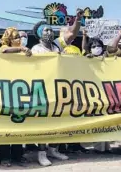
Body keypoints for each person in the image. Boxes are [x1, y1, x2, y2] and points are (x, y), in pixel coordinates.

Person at [31, 10, 83, 166]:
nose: (50, 31)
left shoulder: (57, 44)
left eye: (50, 29)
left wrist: (78, 20)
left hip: (59, 88)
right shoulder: (36, 49)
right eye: (46, 30)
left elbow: (72, 35)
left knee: (60, 120)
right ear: (40, 34)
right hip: (44, 90)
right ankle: (42, 153)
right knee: (44, 122)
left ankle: (54, 149)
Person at [0, 27, 31, 167]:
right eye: (16, 37)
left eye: (19, 37)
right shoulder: (4, 48)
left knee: (18, 124)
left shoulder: (24, 52)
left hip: (19, 92)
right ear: (9, 39)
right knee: (5, 126)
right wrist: (21, 49)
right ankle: (3, 157)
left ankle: (18, 155)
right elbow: (4, 51)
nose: (19, 40)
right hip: (4, 92)